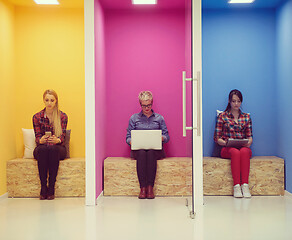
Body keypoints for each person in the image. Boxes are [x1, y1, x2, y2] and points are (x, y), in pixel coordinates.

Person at [126, 91, 170, 199]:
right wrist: (132, 141)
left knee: (150, 153)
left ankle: (150, 188)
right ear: (140, 104)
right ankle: (143, 188)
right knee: (142, 153)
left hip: (155, 150)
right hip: (139, 150)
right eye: (144, 105)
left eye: (149, 105)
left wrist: (161, 138)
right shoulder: (134, 118)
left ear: (152, 103)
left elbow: (167, 136)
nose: (147, 108)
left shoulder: (159, 118)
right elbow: (128, 137)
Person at [214, 89, 253, 198]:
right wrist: (226, 143)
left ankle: (245, 185)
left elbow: (250, 137)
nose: (236, 104)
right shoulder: (223, 116)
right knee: (235, 152)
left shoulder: (246, 117)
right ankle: (236, 186)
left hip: (243, 146)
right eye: (234, 101)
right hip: (227, 148)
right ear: (229, 102)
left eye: (238, 101)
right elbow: (217, 138)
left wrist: (248, 143)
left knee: (244, 151)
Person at [33, 89, 68, 200]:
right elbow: (37, 136)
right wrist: (41, 140)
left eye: (52, 100)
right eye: (47, 100)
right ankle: (43, 188)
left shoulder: (62, 116)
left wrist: (57, 140)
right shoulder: (37, 117)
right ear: (44, 101)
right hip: (42, 147)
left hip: (58, 148)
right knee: (43, 150)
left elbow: (62, 137)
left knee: (53, 150)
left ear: (56, 101)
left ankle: (51, 187)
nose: (49, 103)